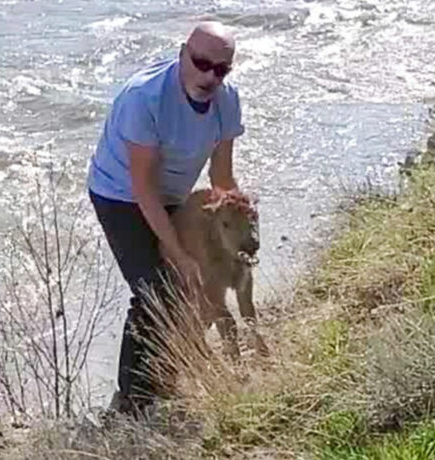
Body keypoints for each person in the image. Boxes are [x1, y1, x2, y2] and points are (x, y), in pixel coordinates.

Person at [86, 21, 245, 417]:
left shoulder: (227, 101)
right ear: (182, 54)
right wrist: (178, 254)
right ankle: (131, 404)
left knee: (202, 280)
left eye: (220, 70)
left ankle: (168, 372)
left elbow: (221, 178)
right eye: (201, 63)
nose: (209, 77)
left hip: (173, 194)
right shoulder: (145, 98)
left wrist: (239, 219)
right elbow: (143, 189)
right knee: (156, 288)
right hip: (120, 193)